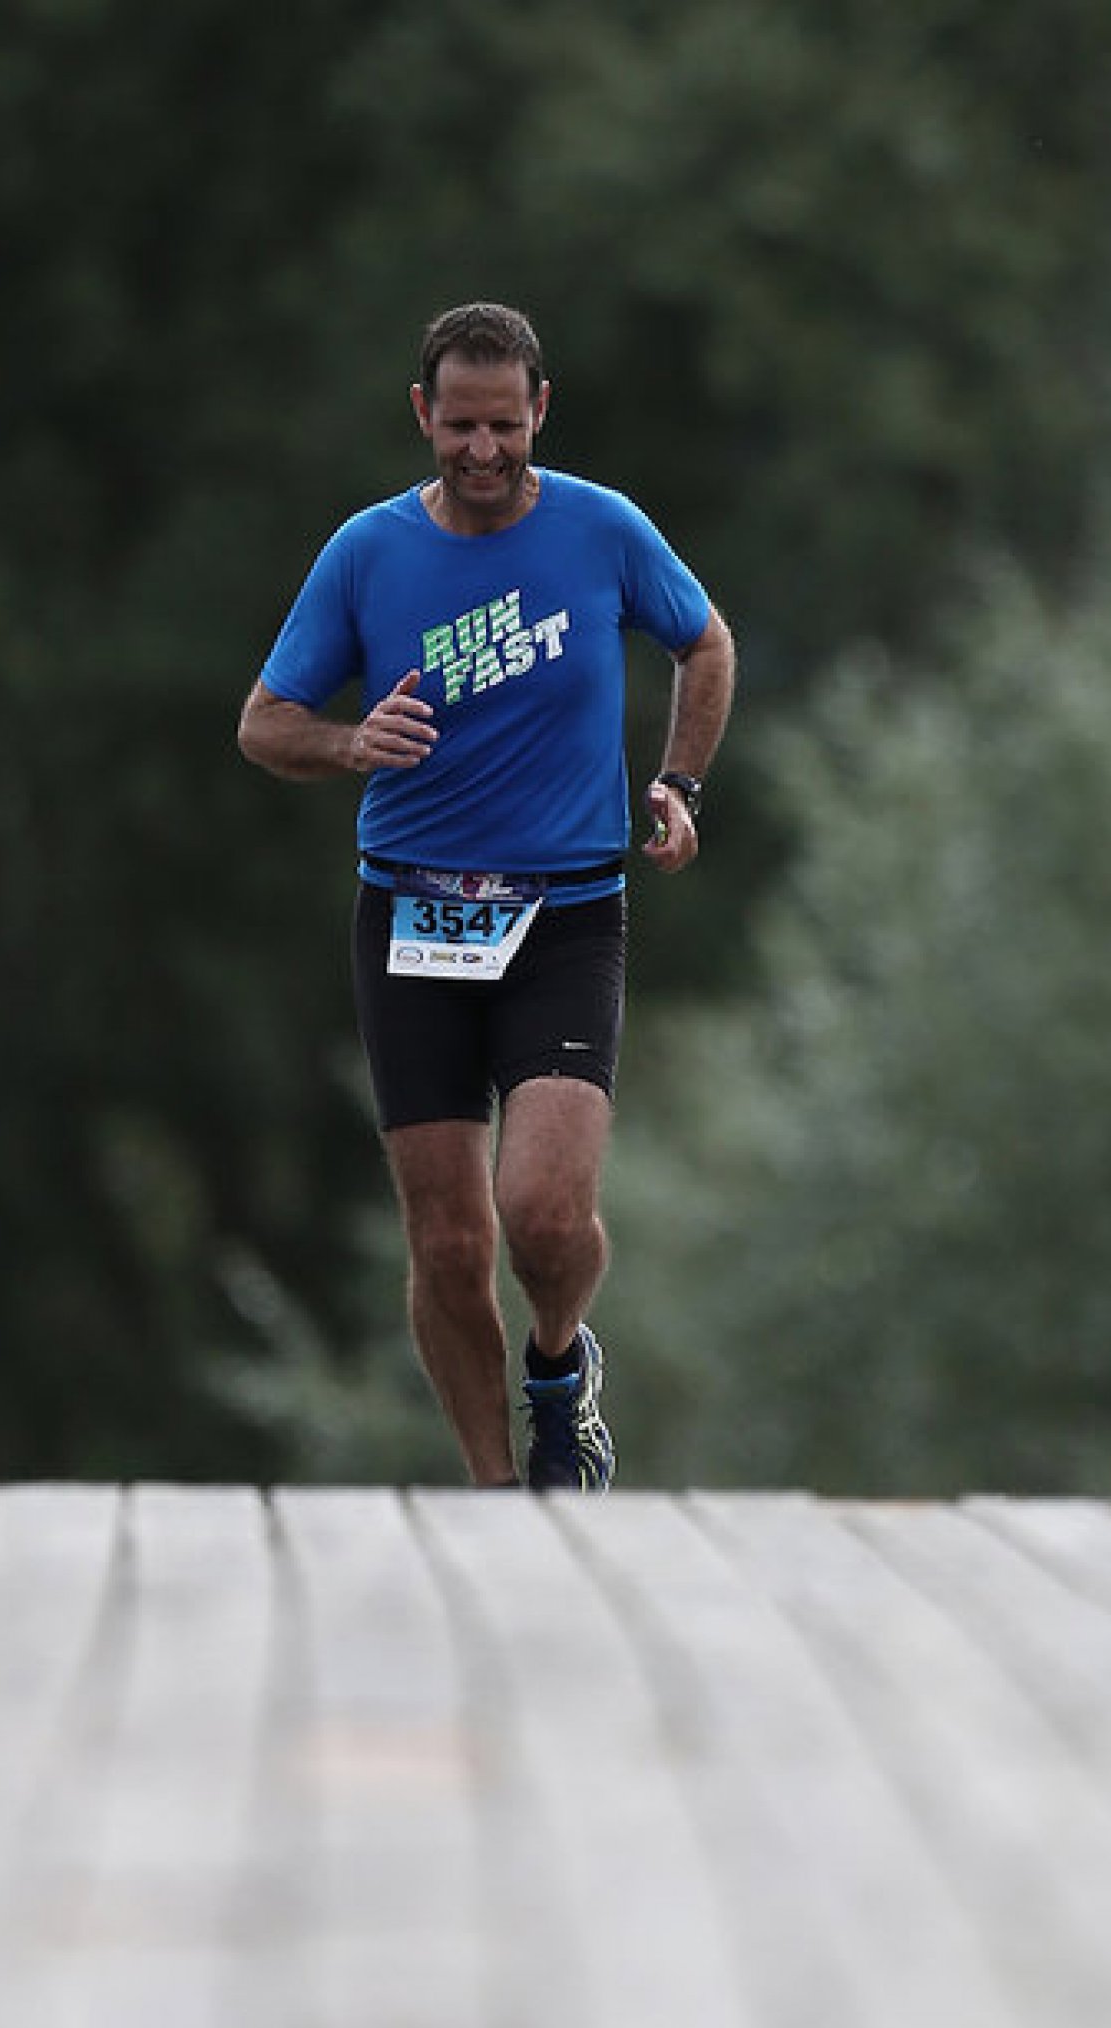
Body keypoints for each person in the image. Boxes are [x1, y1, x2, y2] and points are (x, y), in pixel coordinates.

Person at [238, 302, 734, 1492]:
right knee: (450, 1243)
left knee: (543, 1216)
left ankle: (560, 1365)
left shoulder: (601, 529)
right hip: (410, 916)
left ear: (539, 412)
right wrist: (351, 742)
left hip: (564, 912)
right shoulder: (366, 552)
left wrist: (676, 783)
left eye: (503, 426)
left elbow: (704, 644)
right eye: (459, 424)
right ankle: (497, 1495)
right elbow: (264, 723)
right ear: (423, 414)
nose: (481, 449)